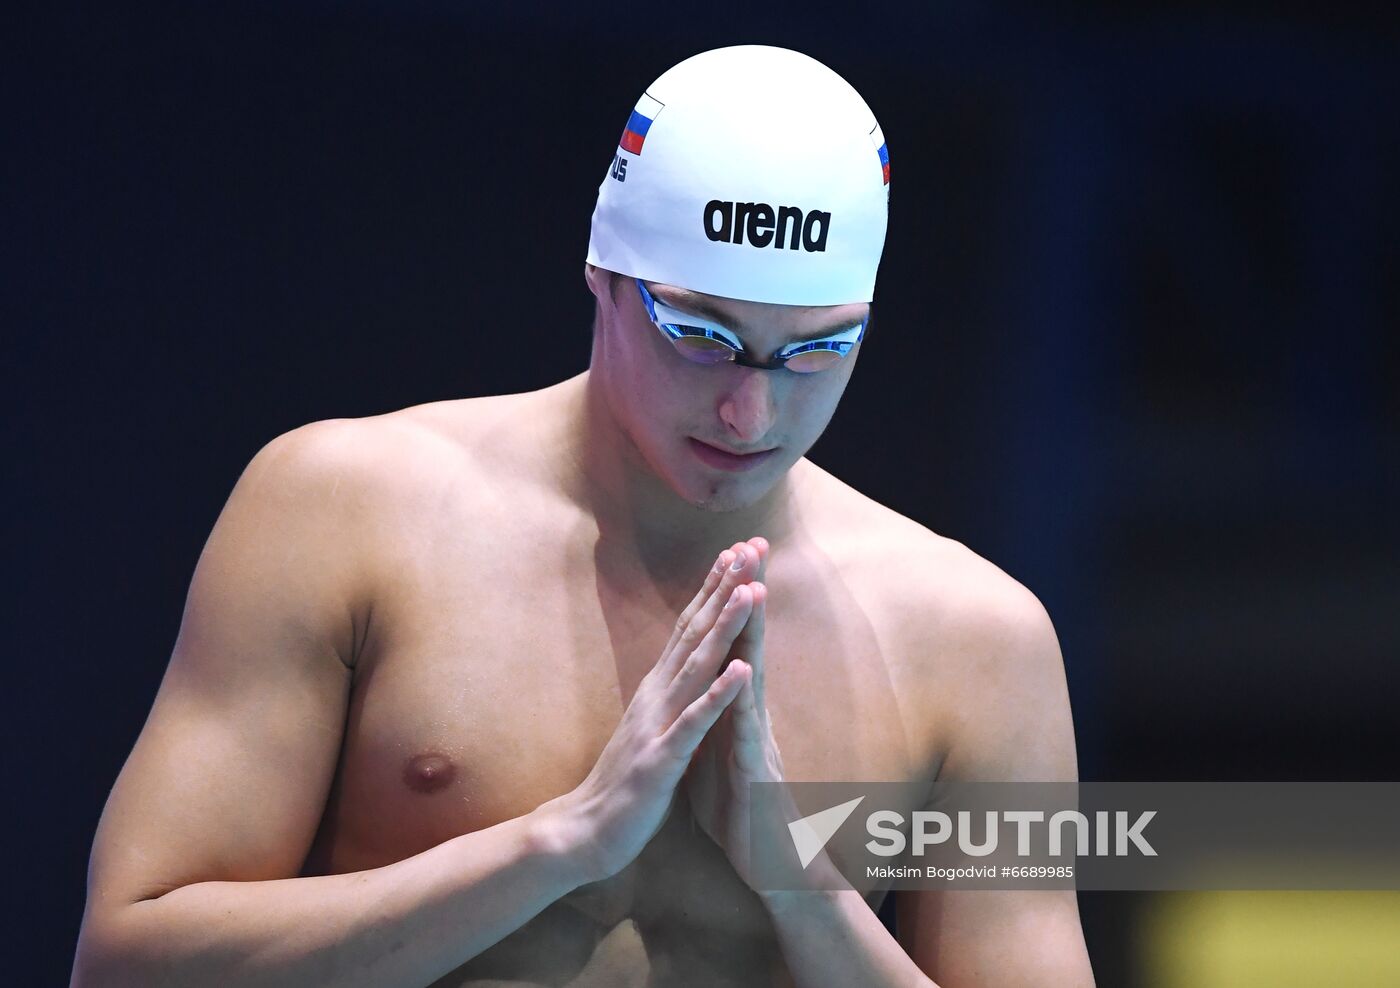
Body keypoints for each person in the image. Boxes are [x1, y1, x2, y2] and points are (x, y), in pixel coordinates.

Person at [70, 45, 1094, 987]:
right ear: (602, 275)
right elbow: (122, 963)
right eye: (701, 334)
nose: (753, 409)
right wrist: (557, 844)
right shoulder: (343, 515)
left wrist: (805, 892)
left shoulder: (975, 642)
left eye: (814, 352)